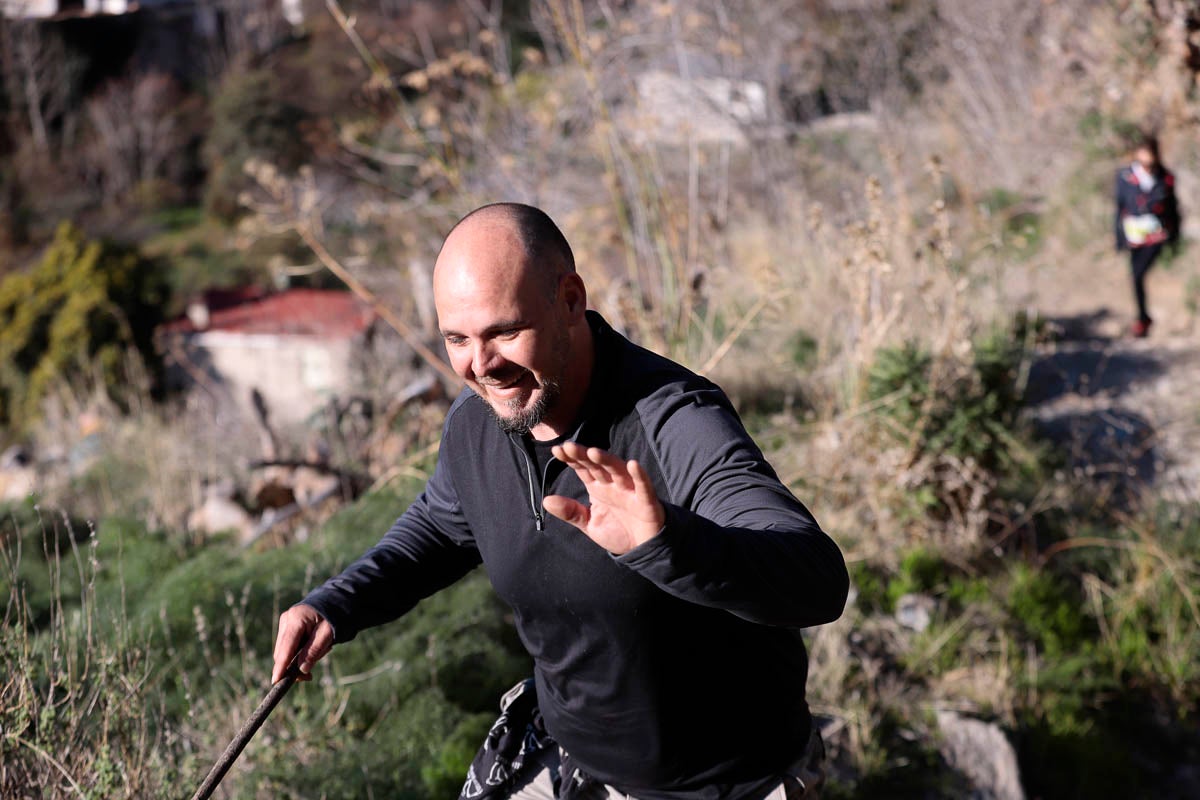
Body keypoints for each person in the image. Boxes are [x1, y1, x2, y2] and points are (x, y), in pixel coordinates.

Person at [272, 203, 849, 799]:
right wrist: (337, 604)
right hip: (567, 759)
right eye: (457, 339)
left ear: (570, 300)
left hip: (726, 783)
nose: (482, 366)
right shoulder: (478, 421)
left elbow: (817, 580)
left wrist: (668, 544)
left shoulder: (673, 420)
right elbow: (441, 528)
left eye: (504, 332)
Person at [1114, 134, 1180, 337]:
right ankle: (1142, 317)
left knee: (1138, 274)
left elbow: (1173, 208)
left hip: (1156, 236)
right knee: (1135, 277)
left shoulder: (1165, 178)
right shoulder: (1125, 176)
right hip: (1134, 236)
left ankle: (1142, 318)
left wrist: (1174, 235)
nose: (1146, 158)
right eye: (1143, 153)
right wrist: (1119, 238)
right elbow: (1119, 207)